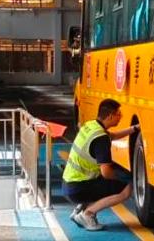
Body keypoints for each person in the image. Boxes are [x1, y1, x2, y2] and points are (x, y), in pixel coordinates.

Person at [62, 98, 140, 231]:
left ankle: (80, 210)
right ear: (110, 116)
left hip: (69, 183)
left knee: (113, 179)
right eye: (119, 114)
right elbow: (106, 173)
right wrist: (126, 177)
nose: (120, 117)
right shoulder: (101, 139)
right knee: (125, 189)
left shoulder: (92, 126)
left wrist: (134, 128)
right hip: (78, 188)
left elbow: (113, 136)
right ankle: (88, 213)